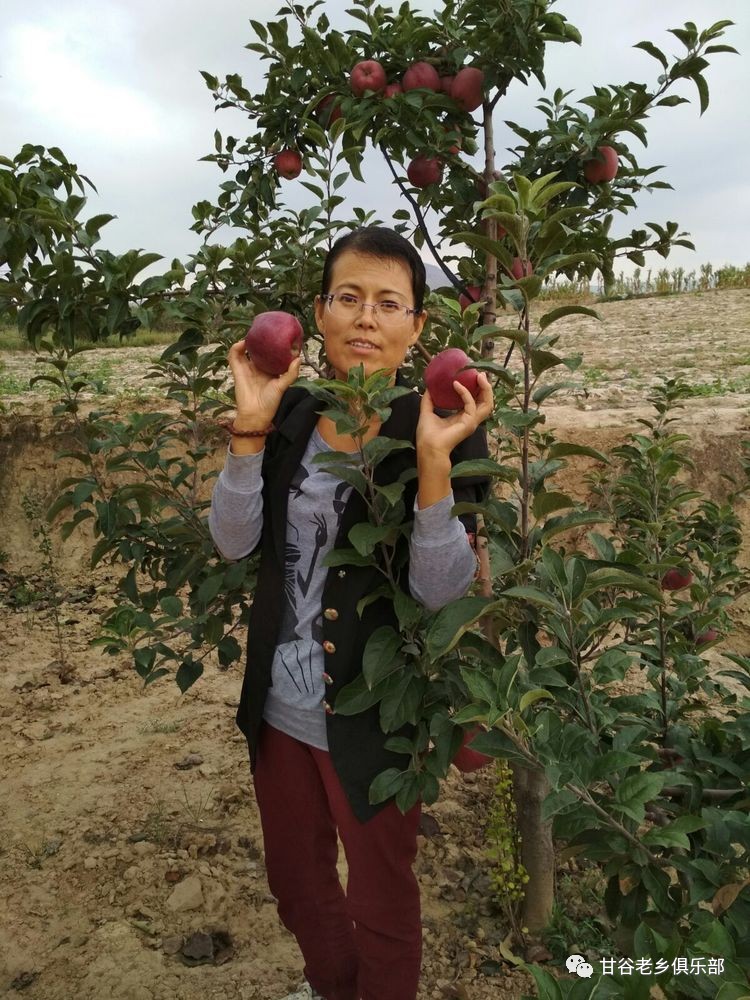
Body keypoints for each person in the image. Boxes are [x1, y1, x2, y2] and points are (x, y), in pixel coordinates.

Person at [208, 226, 494, 1000]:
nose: (367, 317)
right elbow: (235, 544)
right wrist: (249, 421)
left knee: (381, 901)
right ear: (320, 314)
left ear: (417, 328)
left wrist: (434, 464)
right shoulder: (292, 415)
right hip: (277, 706)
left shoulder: (438, 423)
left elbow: (442, 592)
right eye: (349, 298)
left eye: (389, 302)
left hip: (376, 716)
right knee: (297, 889)